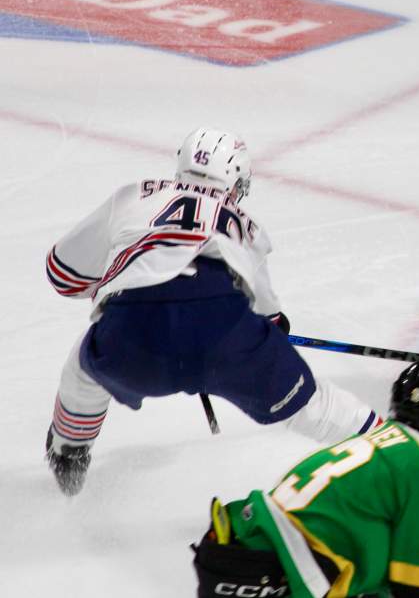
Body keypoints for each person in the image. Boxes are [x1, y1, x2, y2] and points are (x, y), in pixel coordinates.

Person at [44, 127, 383, 496]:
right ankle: (393, 446)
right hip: (224, 333)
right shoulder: (247, 227)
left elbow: (62, 272)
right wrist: (269, 338)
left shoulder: (132, 197)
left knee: (84, 367)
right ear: (236, 181)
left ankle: (69, 453)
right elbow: (269, 316)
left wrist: (116, 287)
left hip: (133, 332)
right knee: (313, 404)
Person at [192, 361, 419, 598]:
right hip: (288, 579)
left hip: (233, 561)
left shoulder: (372, 443)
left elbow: (395, 539)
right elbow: (417, 587)